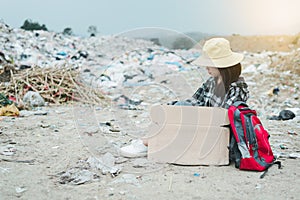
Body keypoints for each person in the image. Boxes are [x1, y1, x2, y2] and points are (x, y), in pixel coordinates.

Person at [119, 37, 249, 158]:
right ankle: (149, 140)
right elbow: (195, 101)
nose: (206, 67)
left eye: (210, 64)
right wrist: (172, 109)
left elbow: (225, 118)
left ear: (222, 65)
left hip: (217, 134)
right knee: (178, 108)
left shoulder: (237, 88)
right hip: (204, 123)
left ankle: (148, 143)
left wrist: (187, 116)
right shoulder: (211, 82)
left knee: (181, 114)